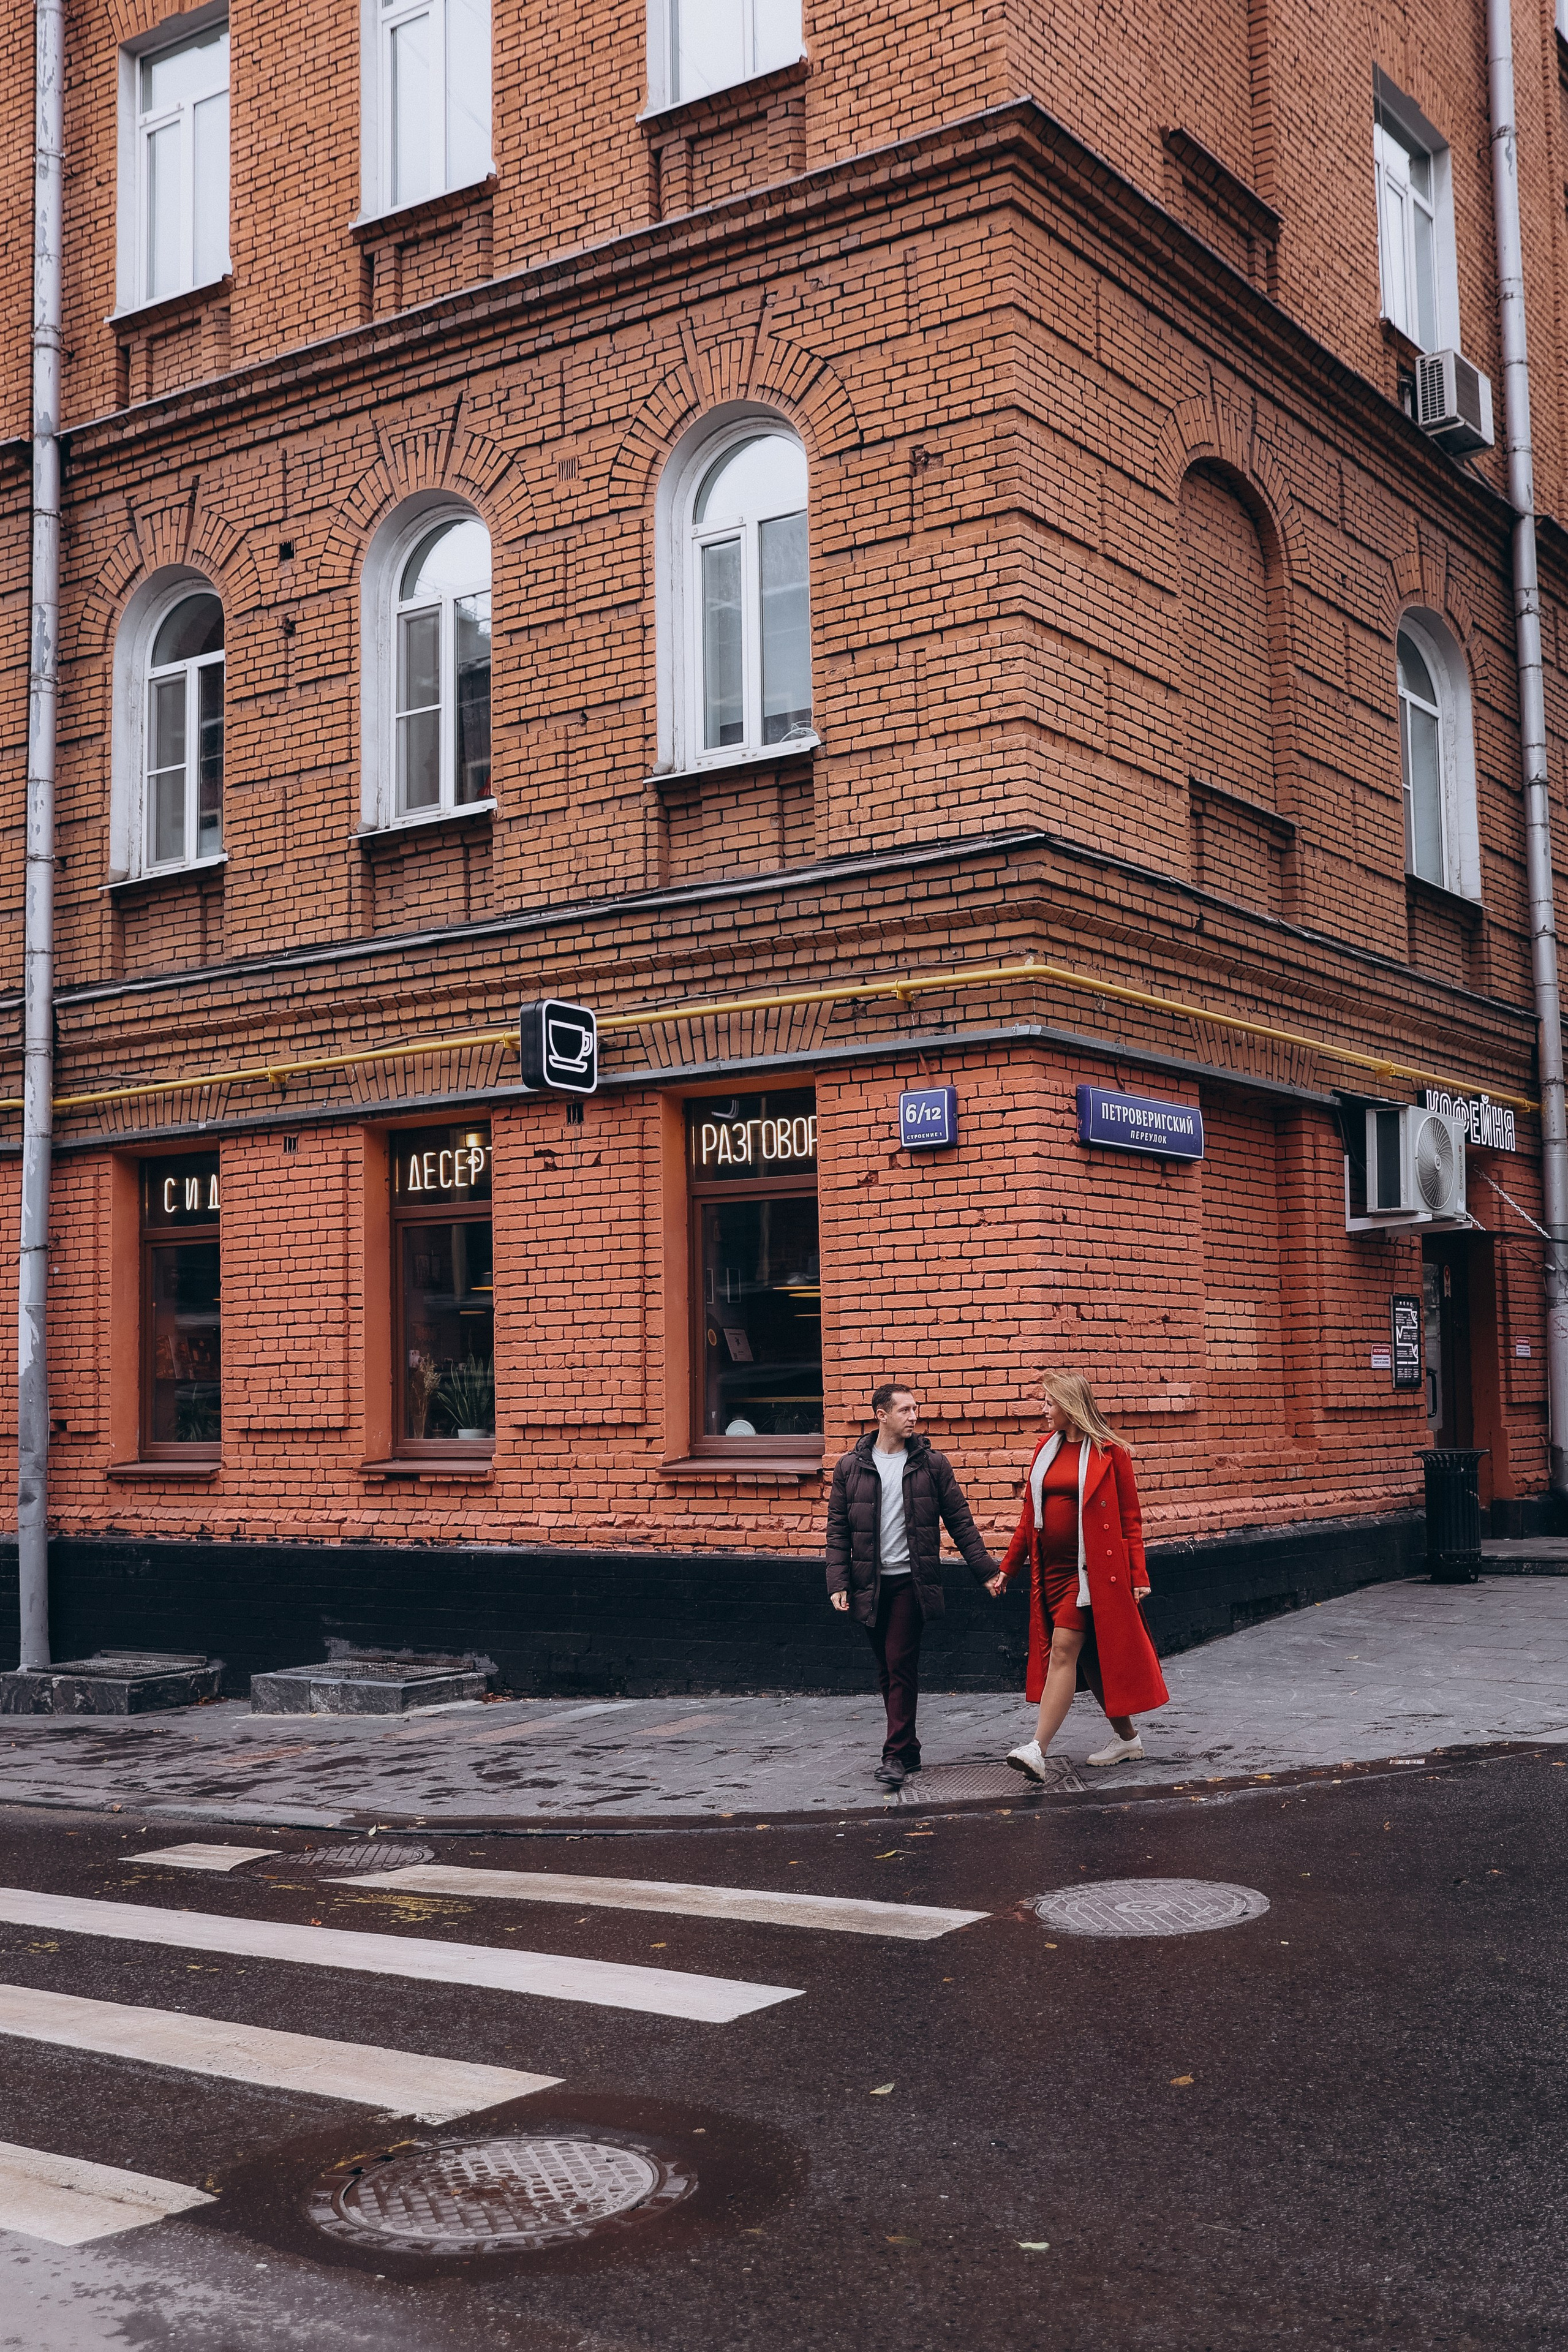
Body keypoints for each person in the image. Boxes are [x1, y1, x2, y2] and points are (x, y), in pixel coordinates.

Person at [988, 1370, 1168, 1779]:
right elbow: (1028, 1520)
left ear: (1071, 1406)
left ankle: (1037, 1749)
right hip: (1049, 1573)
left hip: (1092, 1575)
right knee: (1088, 1660)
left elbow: (1130, 1520)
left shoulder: (1110, 1453)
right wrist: (1007, 1568)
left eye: (1049, 1403)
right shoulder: (1044, 1450)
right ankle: (1128, 1741)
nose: (1044, 1410)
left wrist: (1139, 1575)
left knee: (1065, 1649)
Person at [826, 1379, 998, 1788]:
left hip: (911, 1582)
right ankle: (911, 1749)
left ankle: (893, 1756)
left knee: (900, 1663)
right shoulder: (851, 1467)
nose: (914, 1417)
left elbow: (960, 1521)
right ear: (881, 1415)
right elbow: (837, 1530)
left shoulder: (930, 1464)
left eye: (915, 1409)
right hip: (870, 1583)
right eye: (905, 1410)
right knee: (887, 1668)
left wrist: (986, 1570)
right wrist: (838, 1581)